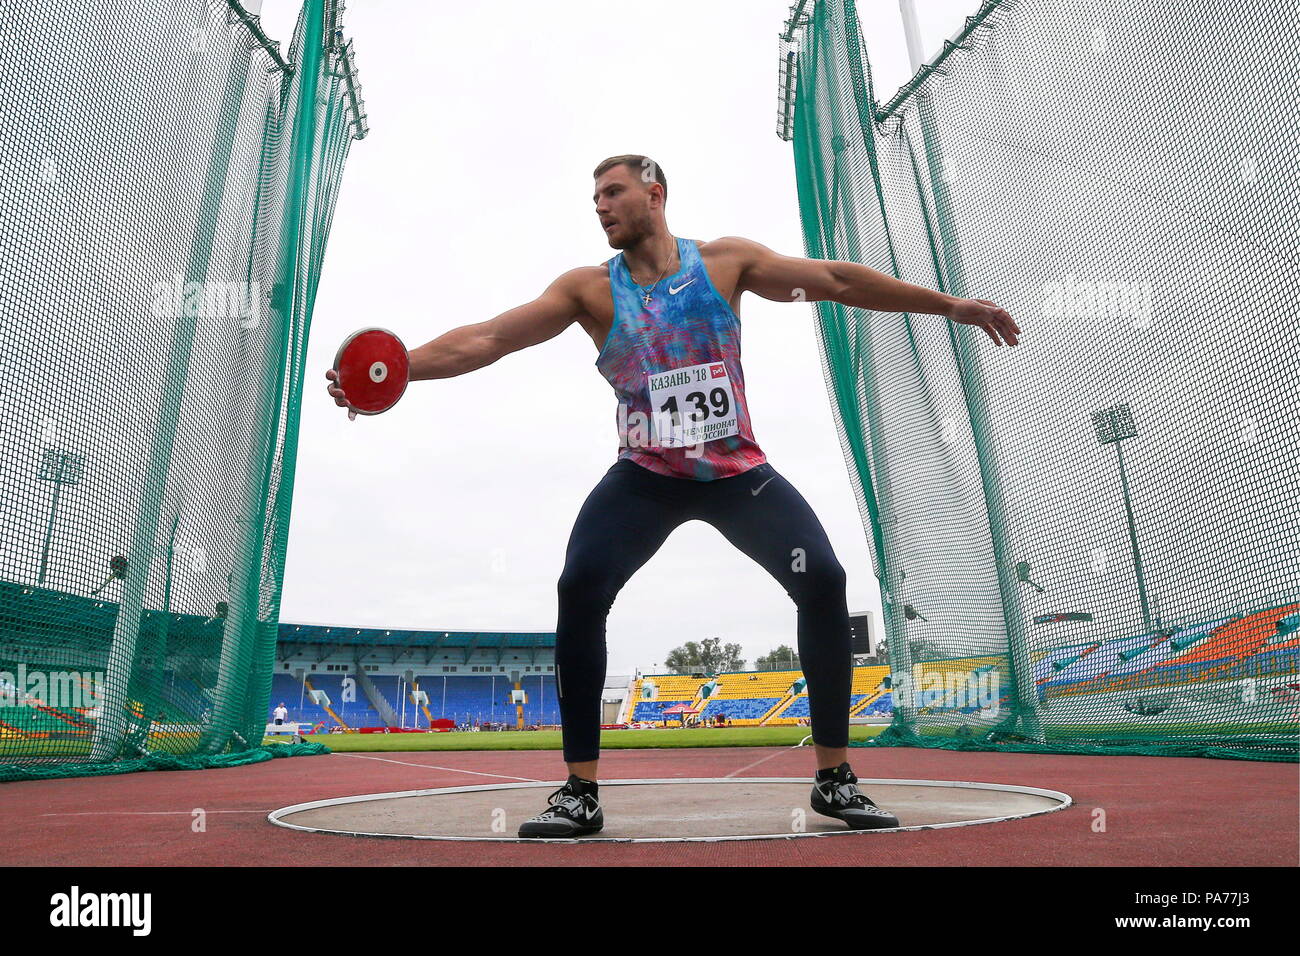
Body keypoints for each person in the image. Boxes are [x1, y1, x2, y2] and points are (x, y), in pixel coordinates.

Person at [325, 155, 1020, 838]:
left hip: (738, 476)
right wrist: (396, 370)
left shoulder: (725, 263)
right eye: (593, 196)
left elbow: (835, 279)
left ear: (655, 193)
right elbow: (489, 338)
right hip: (646, 478)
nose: (599, 205)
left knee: (825, 580)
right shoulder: (587, 291)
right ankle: (579, 792)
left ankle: (834, 778)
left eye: (612, 192)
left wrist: (950, 305)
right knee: (581, 585)